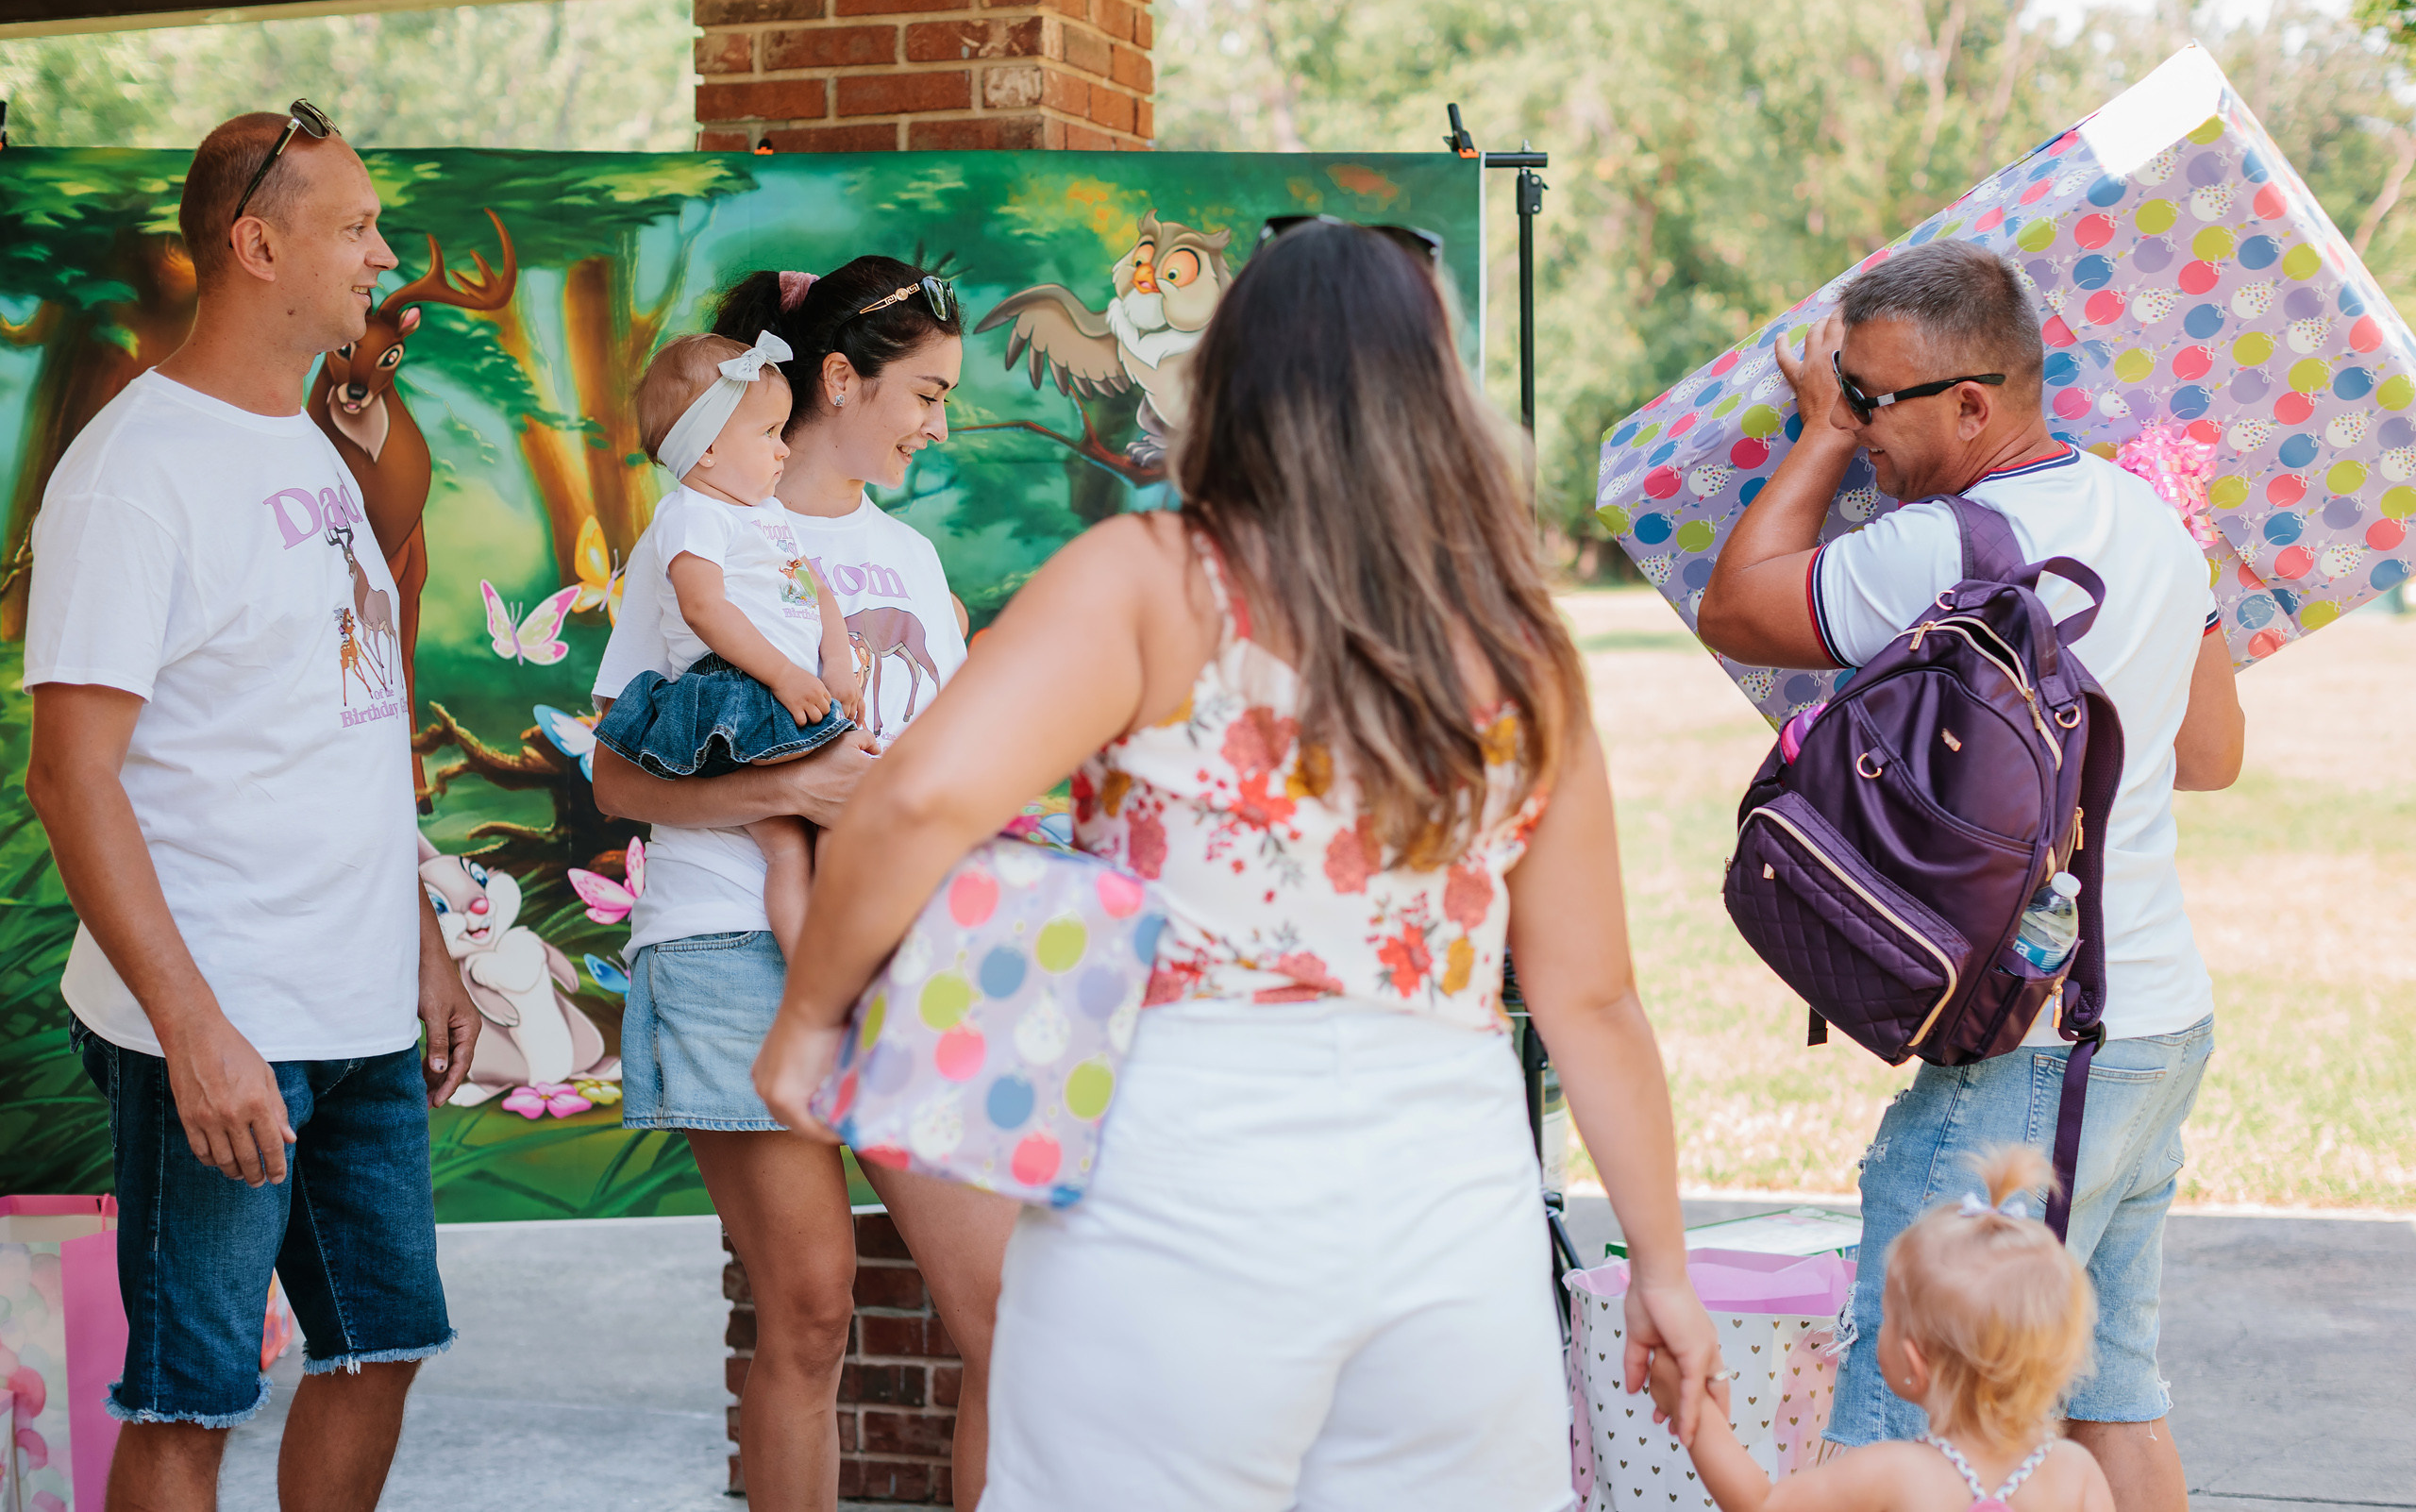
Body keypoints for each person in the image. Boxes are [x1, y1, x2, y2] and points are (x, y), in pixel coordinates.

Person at [751, 217, 1724, 1511]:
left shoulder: (1154, 578)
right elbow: (1592, 996)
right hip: (1453, 1203)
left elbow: (920, 794)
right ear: (1442, 398)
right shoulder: (1516, 639)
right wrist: (1661, 1264)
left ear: (1233, 381)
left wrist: (814, 1014)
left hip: (1179, 1180)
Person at [1695, 240, 2246, 1510]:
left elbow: (1736, 604)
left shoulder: (1943, 545)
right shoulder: (2154, 518)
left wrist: (1817, 437)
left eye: (1875, 396)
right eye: (1850, 395)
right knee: (2111, 1388)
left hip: (2026, 1055)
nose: (1865, 424)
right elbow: (2209, 753)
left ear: (1972, 404)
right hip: (2154, 1025)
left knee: (1911, 1423)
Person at [24, 107, 478, 1512]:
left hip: (358, 1009)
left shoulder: (301, 445)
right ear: (257, 242)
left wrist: (420, 933)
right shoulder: (133, 474)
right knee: (192, 1393)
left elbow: (338, 723)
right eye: (355, 228)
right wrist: (194, 1029)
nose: (383, 255)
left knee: (383, 1344)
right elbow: (70, 772)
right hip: (218, 1024)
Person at [590, 260, 1015, 1510]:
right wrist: (787, 798)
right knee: (811, 1311)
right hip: (733, 945)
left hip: (904, 951)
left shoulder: (914, 560)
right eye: (927, 392)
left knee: (1006, 1316)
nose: (940, 422)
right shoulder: (707, 531)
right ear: (842, 377)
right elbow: (616, 775)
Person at [1646, 1147, 2116, 1512]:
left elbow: (1765, 1504)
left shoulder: (1894, 1471)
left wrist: (1697, 1417)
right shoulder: (2075, 1473)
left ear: (1913, 1362)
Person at [594, 330, 864, 961]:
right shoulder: (691, 514)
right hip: (735, 690)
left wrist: (837, 659)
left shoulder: (766, 514)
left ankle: (846, 962)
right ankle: (811, 983)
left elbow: (817, 588)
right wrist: (784, 674)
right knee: (791, 846)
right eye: (768, 433)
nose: (784, 447)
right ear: (708, 448)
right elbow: (704, 606)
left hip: (789, 682)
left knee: (837, 821)